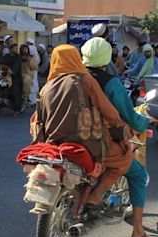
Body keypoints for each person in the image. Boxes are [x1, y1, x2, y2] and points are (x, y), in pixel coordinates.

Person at [34, 44, 131, 213]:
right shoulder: (85, 81)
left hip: (54, 146)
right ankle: (96, 196)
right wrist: (123, 127)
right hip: (87, 145)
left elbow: (37, 121)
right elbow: (109, 112)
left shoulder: (46, 88)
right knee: (124, 158)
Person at [81, 37, 156, 237]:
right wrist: (144, 122)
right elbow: (127, 115)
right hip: (99, 142)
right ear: (108, 58)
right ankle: (138, 231)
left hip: (69, 139)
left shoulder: (71, 78)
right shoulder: (109, 82)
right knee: (138, 174)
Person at [1, 43, 23, 116]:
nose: (16, 50)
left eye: (17, 48)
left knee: (16, 92)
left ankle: (17, 110)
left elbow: (17, 66)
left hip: (16, 77)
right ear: (10, 49)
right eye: (14, 48)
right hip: (6, 76)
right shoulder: (7, 56)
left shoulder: (18, 57)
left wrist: (13, 72)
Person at [27, 38, 41, 105]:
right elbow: (38, 59)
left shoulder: (30, 48)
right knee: (35, 82)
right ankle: (34, 100)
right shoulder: (35, 49)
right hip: (34, 68)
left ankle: (31, 100)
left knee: (31, 83)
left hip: (30, 68)